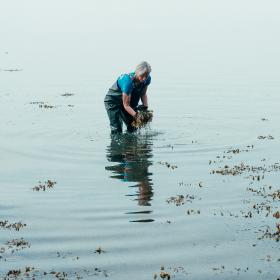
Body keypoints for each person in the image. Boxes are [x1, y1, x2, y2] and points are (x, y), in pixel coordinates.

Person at [104, 61, 152, 134]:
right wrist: (137, 115)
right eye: (142, 76)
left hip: (128, 103)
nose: (144, 79)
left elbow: (143, 94)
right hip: (113, 102)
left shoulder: (147, 79)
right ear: (137, 72)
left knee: (133, 127)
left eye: (146, 75)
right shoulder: (127, 82)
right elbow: (126, 105)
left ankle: (131, 145)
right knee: (117, 129)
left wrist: (145, 107)